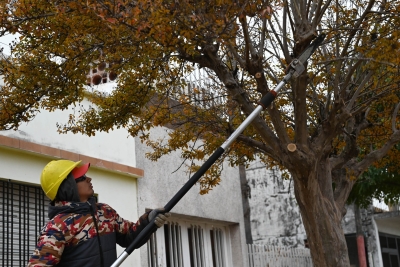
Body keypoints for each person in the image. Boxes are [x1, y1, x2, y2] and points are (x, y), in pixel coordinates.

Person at [27, 159, 170, 267]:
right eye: (82, 178)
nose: (89, 179)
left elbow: (130, 236)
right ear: (68, 186)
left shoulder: (104, 212)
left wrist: (148, 221)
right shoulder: (58, 226)